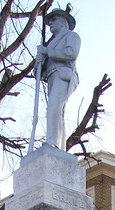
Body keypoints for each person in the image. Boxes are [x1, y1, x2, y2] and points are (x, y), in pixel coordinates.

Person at [35, 5, 81, 150]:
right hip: (51, 77)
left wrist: (48, 52)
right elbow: (41, 70)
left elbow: (71, 53)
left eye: (54, 19)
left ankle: (52, 141)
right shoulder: (52, 43)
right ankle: (58, 144)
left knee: (55, 106)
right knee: (56, 110)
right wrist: (39, 64)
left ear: (63, 21)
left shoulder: (71, 36)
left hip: (63, 74)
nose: (51, 24)